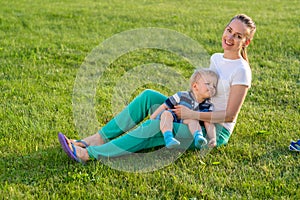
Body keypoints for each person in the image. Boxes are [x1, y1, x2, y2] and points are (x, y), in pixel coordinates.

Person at [58, 13, 256, 163]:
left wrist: (192, 115)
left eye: (238, 36)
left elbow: (229, 115)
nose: (230, 37)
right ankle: (97, 139)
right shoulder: (216, 58)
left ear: (246, 42)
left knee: (155, 125)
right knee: (149, 97)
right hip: (195, 112)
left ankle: (90, 154)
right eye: (229, 30)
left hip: (214, 130)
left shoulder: (241, 71)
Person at [150, 69, 218, 149]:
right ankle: (169, 138)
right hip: (173, 117)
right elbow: (164, 106)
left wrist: (213, 138)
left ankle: (198, 137)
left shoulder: (208, 105)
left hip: (187, 122)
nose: (212, 87)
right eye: (208, 84)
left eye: (214, 86)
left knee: (194, 120)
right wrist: (152, 118)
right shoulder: (181, 95)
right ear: (195, 86)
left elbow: (208, 122)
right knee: (166, 113)